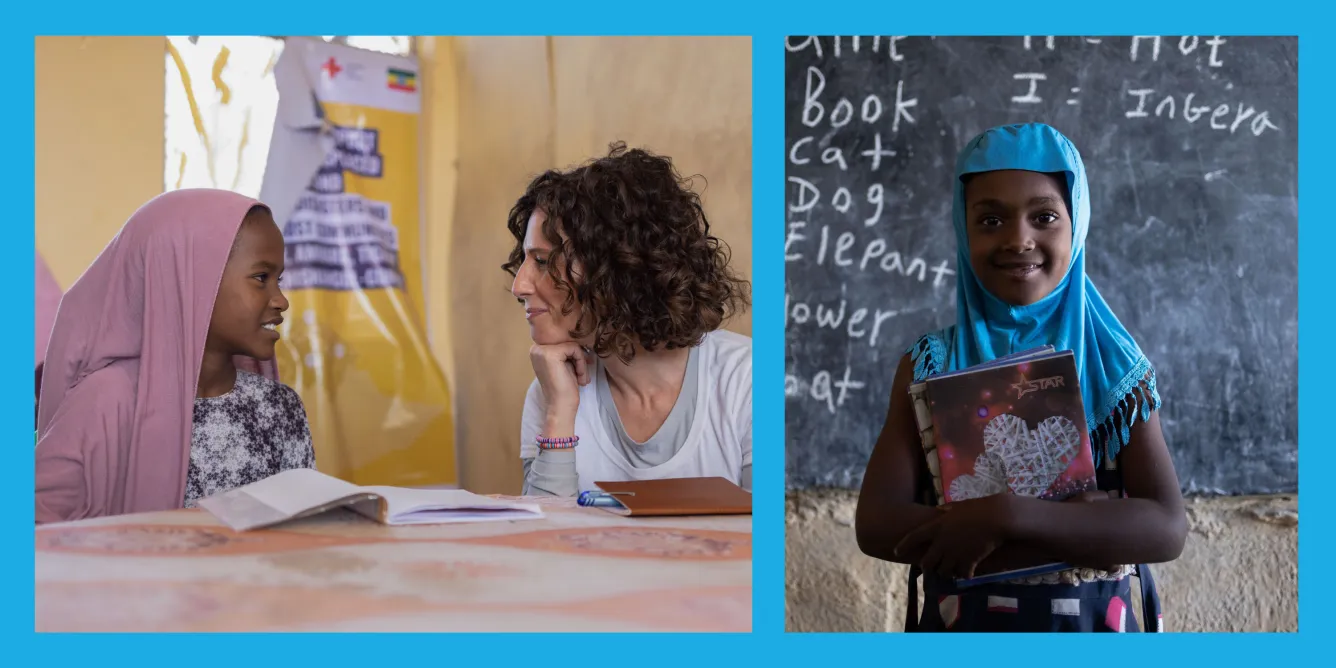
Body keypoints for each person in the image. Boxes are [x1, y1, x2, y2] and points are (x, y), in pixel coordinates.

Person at [855, 123, 1187, 632]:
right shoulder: (930, 363)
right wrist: (1083, 526)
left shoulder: (1116, 367)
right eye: (989, 219)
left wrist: (1004, 518)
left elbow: (1165, 530)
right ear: (962, 231)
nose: (1018, 239)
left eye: (1045, 216)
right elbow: (876, 525)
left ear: (1077, 223)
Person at [35, 189, 314, 524]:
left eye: (279, 280)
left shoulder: (279, 408)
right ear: (194, 280)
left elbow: (304, 527)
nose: (281, 300)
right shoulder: (106, 403)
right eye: (261, 278)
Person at [504, 142, 752, 497]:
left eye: (542, 262)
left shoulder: (747, 381)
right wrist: (560, 411)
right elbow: (543, 544)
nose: (519, 285)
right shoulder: (553, 391)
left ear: (619, 268)